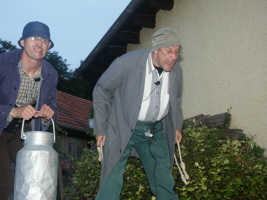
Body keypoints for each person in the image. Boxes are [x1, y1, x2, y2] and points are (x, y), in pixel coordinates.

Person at [93, 27, 183, 200]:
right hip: (123, 126)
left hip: (156, 130)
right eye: (168, 51)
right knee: (111, 178)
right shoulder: (126, 63)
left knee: (163, 177)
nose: (173, 56)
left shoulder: (176, 71)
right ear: (156, 49)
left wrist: (177, 125)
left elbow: (176, 101)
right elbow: (101, 90)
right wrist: (101, 128)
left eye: (177, 51)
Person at [0, 21, 58, 200]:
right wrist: (12, 112)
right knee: (5, 184)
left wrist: (48, 115)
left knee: (39, 174)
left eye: (44, 40)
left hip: (22, 133)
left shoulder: (50, 73)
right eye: (34, 38)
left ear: (49, 45)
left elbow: (53, 106)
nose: (39, 44)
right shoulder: (3, 63)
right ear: (22, 42)